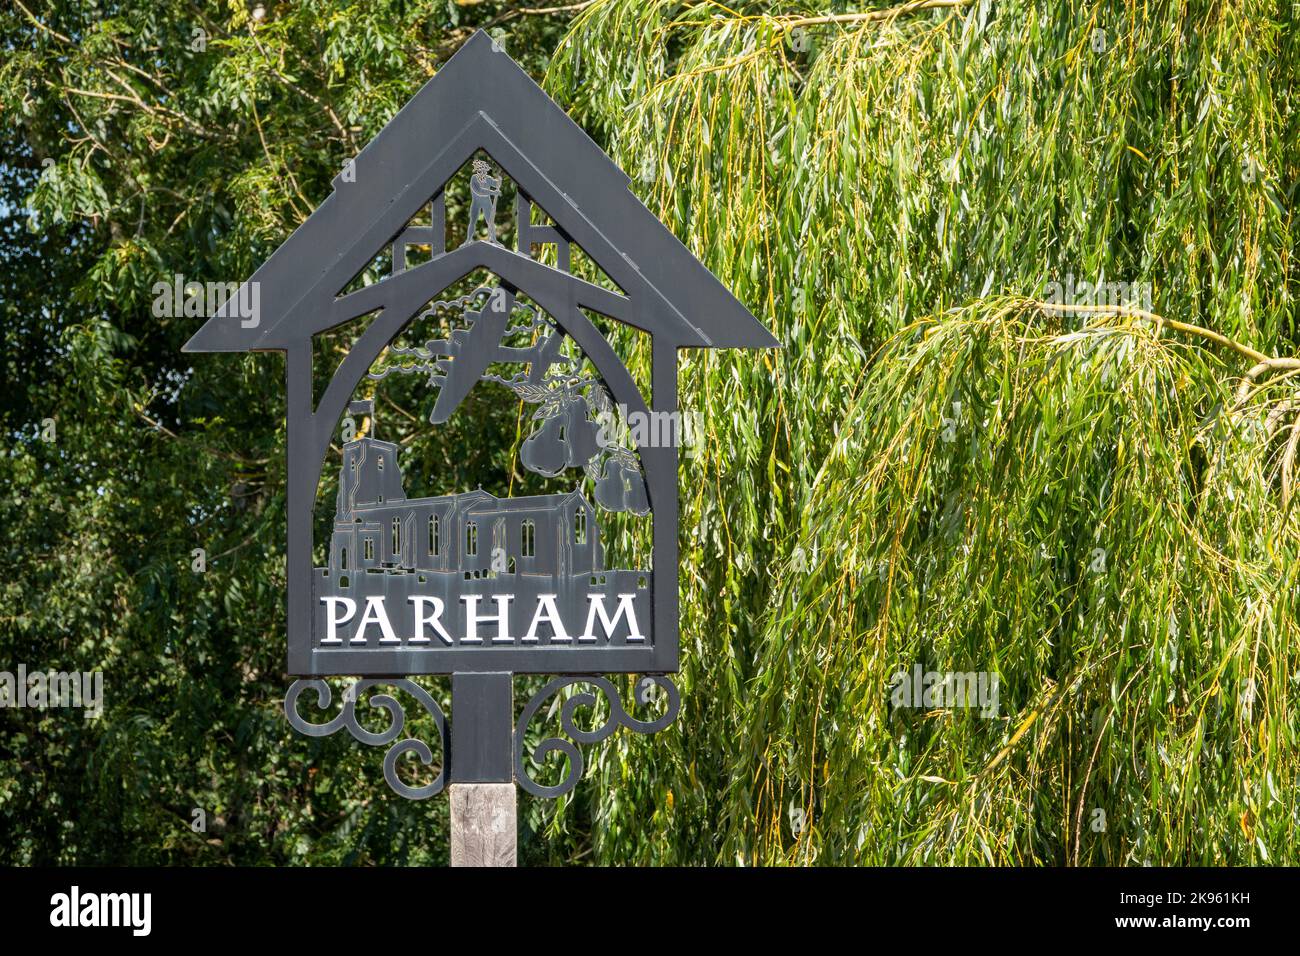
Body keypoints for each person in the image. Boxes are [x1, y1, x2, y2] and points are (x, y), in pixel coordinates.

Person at [466, 159, 502, 244]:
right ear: (478, 170)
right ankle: (468, 240)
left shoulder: (488, 178)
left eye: (484, 171)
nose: (483, 172)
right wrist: (493, 192)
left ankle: (493, 239)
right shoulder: (474, 178)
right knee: (473, 221)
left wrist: (499, 179)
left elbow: (496, 184)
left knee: (490, 221)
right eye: (481, 170)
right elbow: (479, 191)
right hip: (476, 203)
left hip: (487, 203)